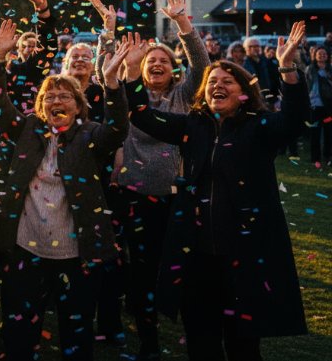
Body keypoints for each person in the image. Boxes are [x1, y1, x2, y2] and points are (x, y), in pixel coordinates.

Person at [125, 21, 310, 361]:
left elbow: (296, 120)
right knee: (201, 341)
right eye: (213, 82)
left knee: (242, 345)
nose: (218, 86)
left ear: (243, 92)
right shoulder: (192, 126)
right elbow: (143, 118)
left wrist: (286, 67)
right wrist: (133, 74)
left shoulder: (259, 127)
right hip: (197, 256)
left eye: (227, 81)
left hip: (243, 254)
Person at [0, 18, 131, 361]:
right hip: (25, 247)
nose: (56, 100)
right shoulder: (27, 129)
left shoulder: (91, 134)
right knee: (20, 330)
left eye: (65, 96)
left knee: (76, 331)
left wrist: (111, 83)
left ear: (78, 105)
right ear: (39, 105)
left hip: (76, 251)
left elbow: (118, 129)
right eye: (49, 96)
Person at [105, 0, 210, 361]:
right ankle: (148, 339)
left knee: (182, 266)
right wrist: (123, 60)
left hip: (177, 200)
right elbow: (114, 81)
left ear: (173, 68)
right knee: (143, 271)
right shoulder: (129, 99)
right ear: (140, 66)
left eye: (164, 60)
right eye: (151, 60)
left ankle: (187, 324)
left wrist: (183, 25)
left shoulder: (184, 96)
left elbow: (201, 63)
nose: (158, 64)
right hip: (137, 198)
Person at [306, 47, 332, 166]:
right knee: (315, 133)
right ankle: (315, 159)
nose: (322, 56)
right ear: (315, 56)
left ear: (327, 56)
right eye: (319, 54)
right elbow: (306, 86)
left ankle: (327, 157)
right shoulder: (310, 69)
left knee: (328, 133)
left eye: (324, 54)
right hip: (314, 106)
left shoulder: (330, 70)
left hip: (328, 107)